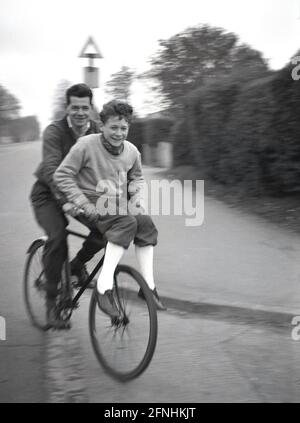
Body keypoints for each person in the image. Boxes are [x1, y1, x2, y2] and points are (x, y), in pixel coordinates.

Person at [54, 100, 166, 316]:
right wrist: (82, 203)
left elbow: (137, 177)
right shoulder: (85, 145)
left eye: (123, 128)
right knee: (124, 222)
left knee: (144, 223)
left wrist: (136, 198)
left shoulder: (132, 151)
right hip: (87, 198)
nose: (118, 133)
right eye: (113, 127)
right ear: (102, 125)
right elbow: (62, 175)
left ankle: (149, 288)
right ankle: (103, 288)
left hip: (113, 202)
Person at [30, 83, 105, 329]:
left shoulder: (97, 131)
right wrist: (64, 202)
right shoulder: (54, 132)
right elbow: (52, 170)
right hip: (48, 194)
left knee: (105, 229)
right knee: (57, 237)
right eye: (75, 107)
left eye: (85, 107)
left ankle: (76, 266)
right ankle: (52, 305)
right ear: (67, 108)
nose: (80, 112)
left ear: (91, 108)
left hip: (79, 194)